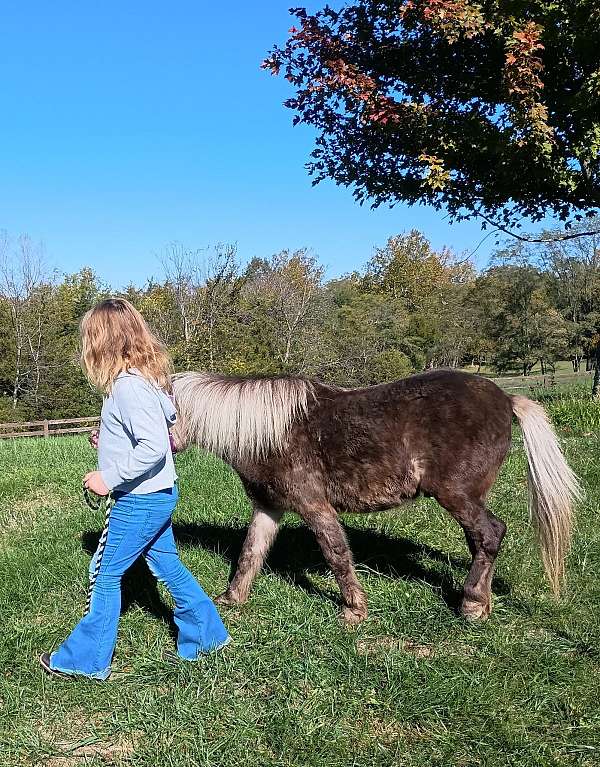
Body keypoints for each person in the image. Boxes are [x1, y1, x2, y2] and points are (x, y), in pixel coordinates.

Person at [39, 298, 229, 680]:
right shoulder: (143, 383)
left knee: (104, 574)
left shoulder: (128, 388)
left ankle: (86, 661)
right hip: (158, 496)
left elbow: (154, 447)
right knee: (167, 564)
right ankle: (206, 634)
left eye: (89, 339)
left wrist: (106, 478)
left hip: (139, 501)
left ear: (102, 343)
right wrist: (107, 438)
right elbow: (148, 433)